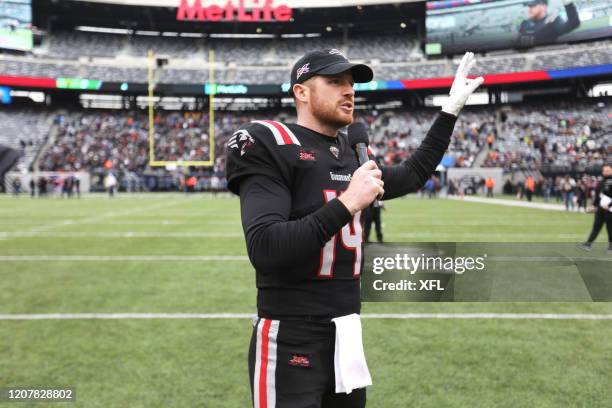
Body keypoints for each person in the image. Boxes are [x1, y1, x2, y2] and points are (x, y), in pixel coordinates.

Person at [226, 49, 483, 408]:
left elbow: (411, 174)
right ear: (301, 91)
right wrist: (348, 202)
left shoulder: (348, 152)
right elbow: (266, 248)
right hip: (289, 335)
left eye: (351, 83)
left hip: (345, 332)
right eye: (335, 82)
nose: (348, 91)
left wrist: (449, 111)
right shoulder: (271, 142)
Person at [578, 165, 612, 252]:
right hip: (600, 209)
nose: (606, 172)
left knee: (610, 228)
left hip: (610, 210)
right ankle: (588, 244)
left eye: (608, 170)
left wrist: (609, 205)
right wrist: (593, 205)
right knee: (596, 227)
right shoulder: (600, 182)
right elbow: (597, 196)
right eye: (604, 171)